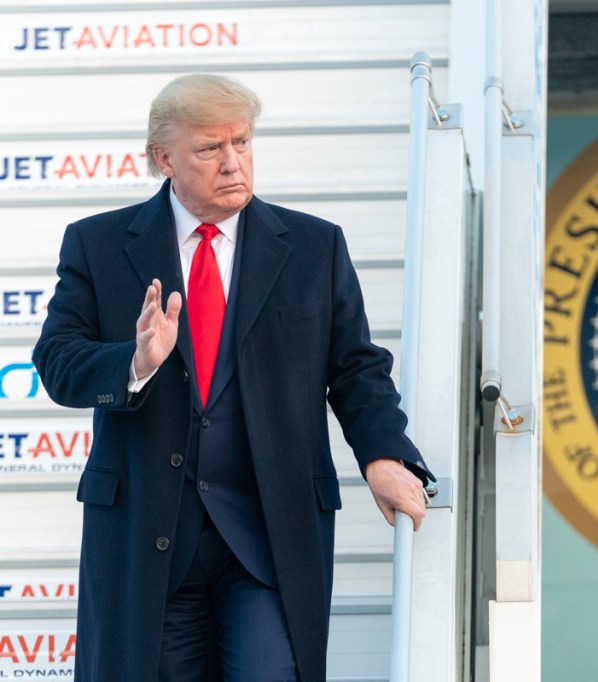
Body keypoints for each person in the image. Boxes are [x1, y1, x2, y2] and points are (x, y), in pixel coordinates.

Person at [32, 73, 433, 681]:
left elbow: (356, 367)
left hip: (270, 534)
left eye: (241, 143)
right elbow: (58, 362)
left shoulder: (312, 245)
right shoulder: (98, 244)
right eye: (209, 149)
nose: (232, 163)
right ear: (163, 158)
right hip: (148, 539)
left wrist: (382, 454)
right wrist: (135, 362)